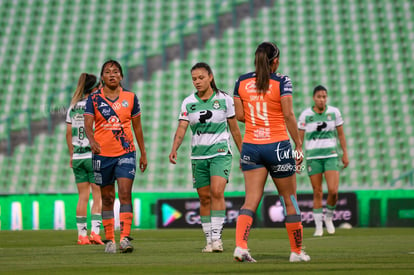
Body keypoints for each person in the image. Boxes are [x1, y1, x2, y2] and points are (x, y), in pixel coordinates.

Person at [232, 42, 310, 262]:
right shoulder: (282, 81)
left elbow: (239, 116)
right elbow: (288, 115)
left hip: (251, 146)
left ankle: (241, 247)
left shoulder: (241, 81)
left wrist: (257, 118)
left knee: (250, 201)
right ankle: (296, 252)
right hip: (278, 146)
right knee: (290, 199)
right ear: (275, 61)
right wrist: (298, 145)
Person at [169, 62, 242, 253]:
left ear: (210, 76)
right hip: (198, 156)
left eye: (201, 77)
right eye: (194, 79)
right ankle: (209, 240)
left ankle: (217, 239)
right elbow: (182, 128)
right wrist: (174, 148)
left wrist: (244, 154)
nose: (197, 82)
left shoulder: (225, 99)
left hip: (220, 153)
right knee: (204, 198)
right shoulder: (188, 102)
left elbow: (234, 129)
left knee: (217, 192)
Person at [84, 60, 147, 254]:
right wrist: (92, 140)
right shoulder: (94, 99)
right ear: (102, 76)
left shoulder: (131, 97)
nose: (112, 74)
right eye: (107, 72)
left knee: (125, 193)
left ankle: (125, 238)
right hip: (102, 155)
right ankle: (110, 239)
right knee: (107, 197)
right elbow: (87, 124)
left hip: (126, 153)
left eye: (116, 71)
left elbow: (137, 127)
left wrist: (143, 153)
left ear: (121, 76)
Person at [298, 85, 349, 237]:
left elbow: (341, 135)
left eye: (324, 96)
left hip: (331, 156)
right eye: (319, 96)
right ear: (314, 98)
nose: (322, 99)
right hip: (313, 157)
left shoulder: (334, 112)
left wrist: (345, 153)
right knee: (317, 191)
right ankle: (318, 226)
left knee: (333, 191)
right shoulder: (305, 115)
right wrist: (298, 155)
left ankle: (328, 218)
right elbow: (299, 139)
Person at [65, 73, 104, 245]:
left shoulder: (72, 107)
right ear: (95, 88)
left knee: (82, 197)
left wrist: (71, 155)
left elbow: (68, 133)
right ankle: (95, 232)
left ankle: (81, 235)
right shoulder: (95, 105)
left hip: (78, 156)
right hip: (93, 155)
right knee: (98, 195)